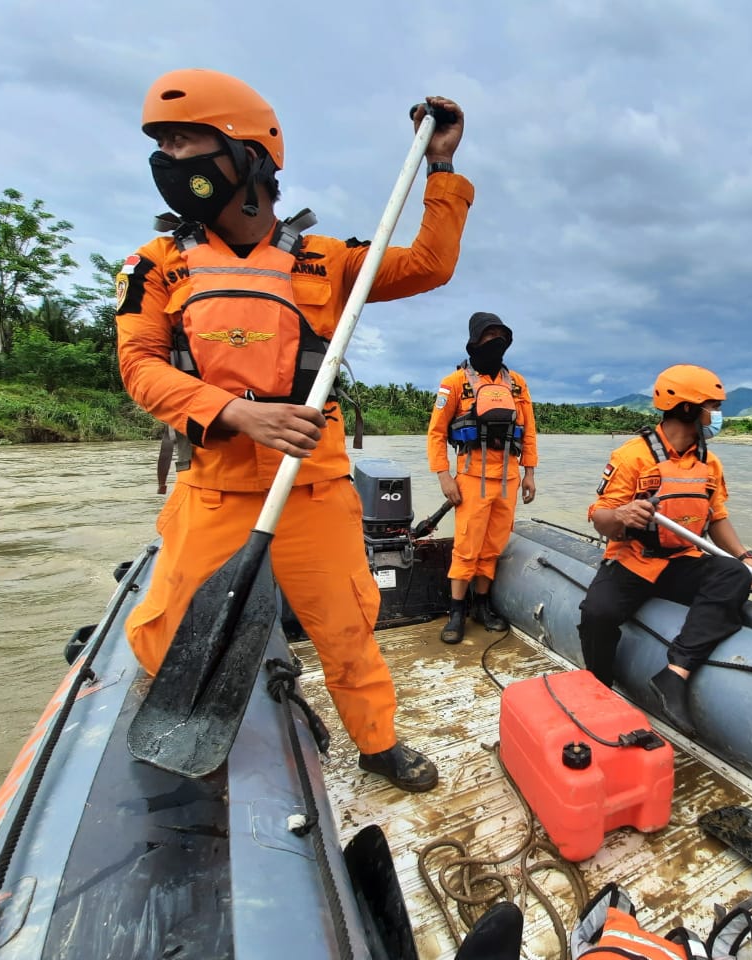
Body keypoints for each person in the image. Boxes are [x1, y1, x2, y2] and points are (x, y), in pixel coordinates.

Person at [116, 68, 475, 792]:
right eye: (162, 143)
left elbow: (431, 265)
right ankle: (184, 720)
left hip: (311, 489)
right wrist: (237, 413)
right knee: (164, 627)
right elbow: (139, 366)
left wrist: (440, 166)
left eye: (186, 140)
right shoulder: (157, 264)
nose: (169, 159)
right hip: (213, 486)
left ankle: (376, 745)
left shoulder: (329, 259)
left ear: (246, 153)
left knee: (347, 630)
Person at [579, 364, 752, 734]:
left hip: (682, 561)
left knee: (733, 574)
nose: (716, 415)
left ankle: (675, 673)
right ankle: (598, 689)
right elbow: (600, 519)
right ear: (688, 408)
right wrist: (622, 513)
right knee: (597, 613)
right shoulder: (632, 456)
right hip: (632, 560)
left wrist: (747, 558)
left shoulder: (709, 464)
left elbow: (717, 519)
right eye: (712, 406)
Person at [426, 311, 537, 644]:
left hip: (509, 477)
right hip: (471, 476)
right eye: (489, 337)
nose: (496, 343)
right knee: (466, 547)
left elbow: (528, 430)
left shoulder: (517, 382)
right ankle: (457, 610)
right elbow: (435, 433)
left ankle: (483, 606)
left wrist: (530, 472)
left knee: (492, 547)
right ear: (475, 341)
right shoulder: (454, 383)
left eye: (501, 337)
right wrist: (444, 477)